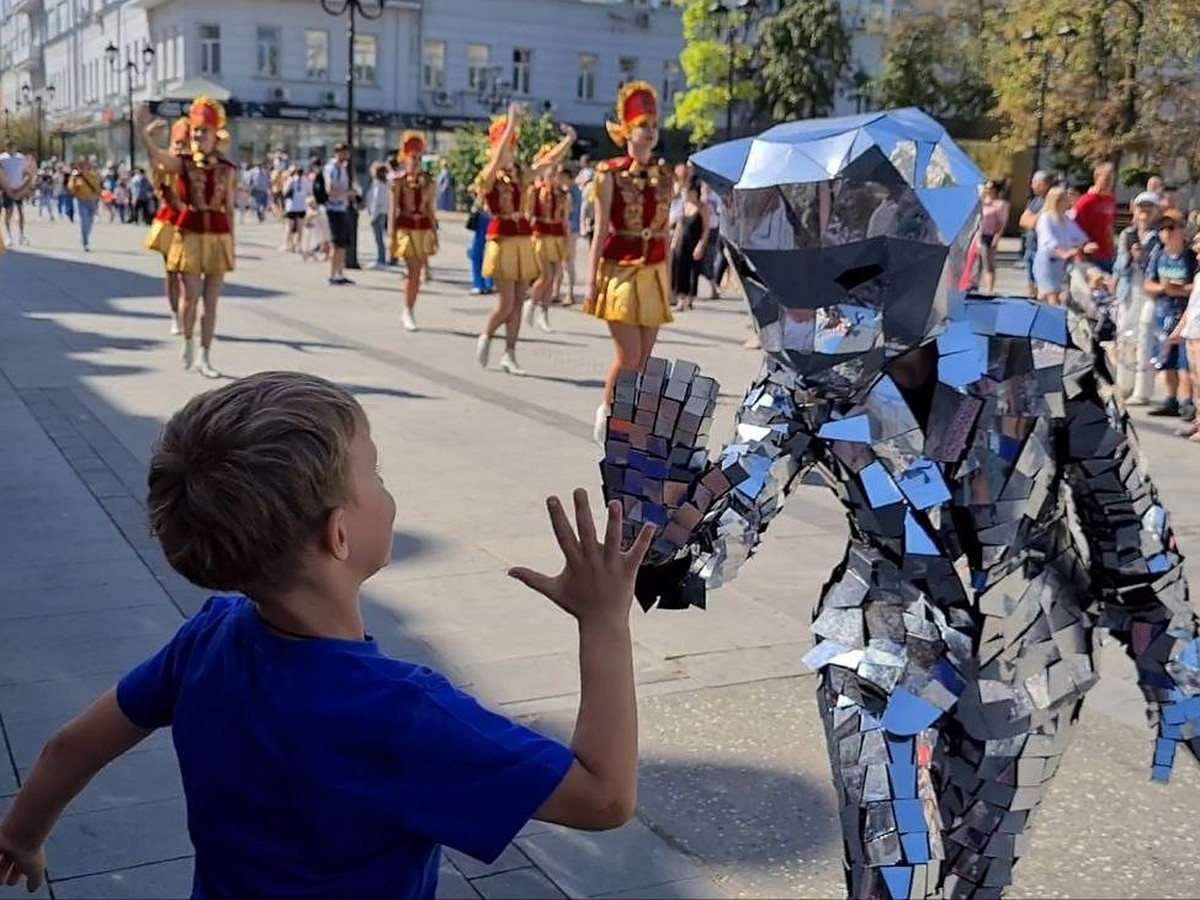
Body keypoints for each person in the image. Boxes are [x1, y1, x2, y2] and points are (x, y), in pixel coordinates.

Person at [604, 108, 1200, 900]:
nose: (819, 322)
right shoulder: (804, 382)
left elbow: (1127, 521)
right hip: (881, 638)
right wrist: (659, 516)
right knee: (893, 869)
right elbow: (733, 510)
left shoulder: (1044, 350)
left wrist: (1174, 668)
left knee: (976, 876)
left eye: (846, 280)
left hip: (1031, 653)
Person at [0, 370, 653, 898]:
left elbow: (71, 747)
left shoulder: (208, 640)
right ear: (338, 535)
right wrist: (603, 624)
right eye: (376, 477)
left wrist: (23, 837)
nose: (388, 493)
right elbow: (603, 798)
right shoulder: (403, 714)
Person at [583, 81, 674, 442]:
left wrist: (669, 281)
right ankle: (607, 409)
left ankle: (629, 423)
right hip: (618, 269)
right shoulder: (610, 173)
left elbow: (665, 232)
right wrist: (589, 280)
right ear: (627, 132)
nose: (650, 132)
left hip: (653, 272)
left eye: (653, 125)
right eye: (643, 125)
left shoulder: (665, 176)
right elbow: (600, 227)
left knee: (645, 359)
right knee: (629, 355)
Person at [135, 97, 238, 379]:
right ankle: (188, 341)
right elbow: (158, 159)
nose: (197, 136)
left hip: (217, 235)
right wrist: (143, 133)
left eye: (203, 131)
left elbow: (228, 207)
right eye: (195, 130)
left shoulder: (227, 169)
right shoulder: (183, 163)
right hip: (189, 231)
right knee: (190, 297)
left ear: (215, 135)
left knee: (212, 301)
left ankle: (206, 355)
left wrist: (233, 243)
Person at [474, 103, 575, 376]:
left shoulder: (520, 177)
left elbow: (548, 162)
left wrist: (568, 141)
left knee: (519, 301)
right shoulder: (489, 177)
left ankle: (510, 353)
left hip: (523, 240)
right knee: (506, 303)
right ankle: (486, 335)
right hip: (502, 240)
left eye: (512, 148)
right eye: (506, 148)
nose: (510, 152)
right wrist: (511, 123)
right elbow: (496, 159)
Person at [1143, 212, 1197, 419]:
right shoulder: (1158, 254)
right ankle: (1171, 399)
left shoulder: (1190, 257)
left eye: (1171, 228)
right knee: (1167, 360)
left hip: (1185, 313)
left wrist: (1180, 289)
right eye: (1162, 229)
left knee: (1186, 362)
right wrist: (1163, 288)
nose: (1166, 233)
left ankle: (1187, 401)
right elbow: (1148, 283)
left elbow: (1197, 285)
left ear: (1181, 230)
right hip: (1163, 311)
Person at [144, 118, 192, 336]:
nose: (182, 148)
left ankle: (187, 313)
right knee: (172, 273)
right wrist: (149, 135)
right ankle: (175, 315)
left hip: (192, 224)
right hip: (170, 223)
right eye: (178, 143)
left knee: (189, 275)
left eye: (186, 143)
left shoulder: (195, 166)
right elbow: (154, 160)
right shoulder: (165, 166)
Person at [1113, 191, 1162, 405]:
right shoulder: (1128, 234)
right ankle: (1124, 384)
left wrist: (1142, 259)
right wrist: (1129, 258)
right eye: (1141, 207)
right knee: (1125, 336)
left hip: (1149, 291)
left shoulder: (1159, 236)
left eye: (1149, 208)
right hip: (1128, 290)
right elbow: (1118, 266)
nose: (1144, 212)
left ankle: (1142, 391)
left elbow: (1157, 265)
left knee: (1144, 336)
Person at [389, 132, 439, 332]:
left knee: (417, 272)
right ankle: (408, 310)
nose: (416, 162)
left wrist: (435, 233)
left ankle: (409, 308)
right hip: (406, 228)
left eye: (419, 159)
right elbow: (393, 210)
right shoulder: (399, 181)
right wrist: (390, 236)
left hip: (423, 228)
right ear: (405, 159)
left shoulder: (428, 181)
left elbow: (431, 210)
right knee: (413, 271)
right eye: (413, 158)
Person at [524, 152, 574, 333]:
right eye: (551, 173)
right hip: (540, 235)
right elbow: (528, 214)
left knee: (552, 277)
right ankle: (531, 302)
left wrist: (567, 240)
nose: (554, 177)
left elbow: (565, 219)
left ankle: (543, 314)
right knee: (545, 275)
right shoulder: (535, 191)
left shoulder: (564, 195)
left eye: (557, 173)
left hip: (558, 236)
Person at [1033, 184, 1087, 305]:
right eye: (1065, 198)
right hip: (1047, 262)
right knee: (1053, 298)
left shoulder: (1066, 219)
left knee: (1047, 297)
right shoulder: (1045, 218)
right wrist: (1063, 253)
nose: (1068, 200)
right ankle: (1051, 322)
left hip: (1061, 265)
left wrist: (1085, 245)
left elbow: (1079, 236)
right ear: (1057, 201)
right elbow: (1048, 240)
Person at [669, 179, 711, 312]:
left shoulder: (702, 208)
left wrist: (701, 244)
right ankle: (680, 299)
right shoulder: (684, 206)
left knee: (693, 271)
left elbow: (706, 228)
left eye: (688, 192)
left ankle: (689, 299)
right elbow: (679, 225)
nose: (686, 194)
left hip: (695, 241)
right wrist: (674, 241)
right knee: (679, 270)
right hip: (682, 241)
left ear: (694, 192)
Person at [1073, 162, 1116, 272]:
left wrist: (1113, 247)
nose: (1109, 183)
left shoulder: (1110, 200)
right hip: (1090, 254)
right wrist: (1080, 251)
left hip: (1106, 253)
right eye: (1106, 179)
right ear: (1097, 178)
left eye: (1111, 179)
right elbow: (1075, 228)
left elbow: (1109, 226)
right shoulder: (1086, 201)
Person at [324, 143, 354, 286]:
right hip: (334, 209)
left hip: (342, 208)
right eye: (345, 152)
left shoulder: (342, 167)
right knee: (337, 243)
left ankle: (339, 272)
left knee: (343, 243)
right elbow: (330, 190)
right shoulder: (333, 168)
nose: (347, 155)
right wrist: (347, 193)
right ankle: (333, 274)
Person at [975, 179, 1009, 295]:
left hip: (990, 234)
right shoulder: (981, 202)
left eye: (990, 189)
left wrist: (997, 236)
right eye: (986, 188)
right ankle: (974, 284)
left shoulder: (1000, 204)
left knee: (988, 261)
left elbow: (1002, 222)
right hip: (979, 234)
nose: (988, 191)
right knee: (976, 261)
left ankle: (989, 288)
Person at [0, 139, 32, 245]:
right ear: (5, 147)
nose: (10, 148)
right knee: (8, 212)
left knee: (20, 212)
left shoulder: (21, 158)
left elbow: (26, 172)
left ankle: (22, 235)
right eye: (8, 146)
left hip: (19, 188)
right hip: (7, 189)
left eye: (12, 146)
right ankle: (9, 236)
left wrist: (25, 185)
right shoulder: (2, 158)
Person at [66, 158, 102, 252]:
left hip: (93, 201)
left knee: (90, 223)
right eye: (82, 166)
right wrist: (74, 182)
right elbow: (72, 188)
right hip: (82, 201)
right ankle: (85, 242)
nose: (84, 168)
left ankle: (84, 236)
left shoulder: (94, 176)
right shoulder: (78, 177)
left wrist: (99, 197)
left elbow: (98, 188)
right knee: (84, 221)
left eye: (85, 166)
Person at [365, 163, 390, 270]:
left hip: (378, 214)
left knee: (378, 238)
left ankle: (381, 260)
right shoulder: (383, 184)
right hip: (382, 213)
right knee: (379, 238)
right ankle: (381, 258)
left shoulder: (379, 185)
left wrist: (373, 217)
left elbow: (376, 202)